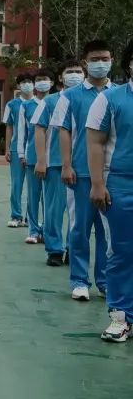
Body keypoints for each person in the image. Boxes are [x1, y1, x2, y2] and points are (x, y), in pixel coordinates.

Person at [54, 40, 112, 302]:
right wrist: (67, 165)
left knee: (108, 232)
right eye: (95, 59)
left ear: (112, 61)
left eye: (105, 58)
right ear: (85, 63)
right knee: (80, 228)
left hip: (112, 173)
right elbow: (64, 131)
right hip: (81, 173)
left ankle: (105, 281)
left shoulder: (119, 93)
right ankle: (79, 280)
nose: (100, 63)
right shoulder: (69, 96)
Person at [86, 43, 133, 343]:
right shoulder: (110, 99)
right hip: (121, 185)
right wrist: (97, 184)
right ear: (128, 64)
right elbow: (95, 142)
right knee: (122, 250)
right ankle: (120, 316)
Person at [35, 62, 80, 267]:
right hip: (54, 163)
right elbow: (39, 129)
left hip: (81, 164)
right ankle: (54, 249)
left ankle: (73, 248)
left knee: (77, 212)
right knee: (54, 210)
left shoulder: (90, 99)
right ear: (61, 78)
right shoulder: (50, 101)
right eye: (70, 72)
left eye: (78, 72)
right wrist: (41, 160)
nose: (74, 75)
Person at [22, 71, 52, 244]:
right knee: (33, 196)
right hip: (33, 157)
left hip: (53, 158)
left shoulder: (57, 102)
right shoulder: (26, 106)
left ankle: (47, 231)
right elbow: (22, 132)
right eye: (38, 80)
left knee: (49, 199)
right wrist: (22, 154)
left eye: (45, 79)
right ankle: (33, 231)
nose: (42, 82)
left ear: (52, 82)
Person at [2, 73, 35, 227]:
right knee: (17, 184)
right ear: (18, 85)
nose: (27, 84)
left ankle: (30, 218)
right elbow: (9, 127)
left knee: (33, 186)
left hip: (33, 149)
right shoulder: (12, 105)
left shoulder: (40, 103)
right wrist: (7, 148)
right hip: (16, 149)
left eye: (29, 81)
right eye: (23, 82)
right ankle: (16, 216)